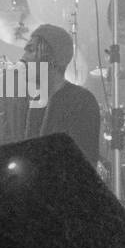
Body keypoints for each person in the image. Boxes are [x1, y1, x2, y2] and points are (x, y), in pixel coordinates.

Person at [15, 23, 102, 163]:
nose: (23, 58)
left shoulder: (81, 101)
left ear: (51, 58)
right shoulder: (33, 103)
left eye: (30, 50)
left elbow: (83, 165)